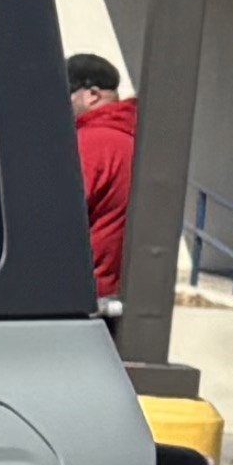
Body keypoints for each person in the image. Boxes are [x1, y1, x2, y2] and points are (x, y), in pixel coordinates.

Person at [69, 49, 137, 310]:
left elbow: (52, 219)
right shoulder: (133, 142)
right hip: (113, 296)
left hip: (79, 297)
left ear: (92, 95)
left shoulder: (91, 144)